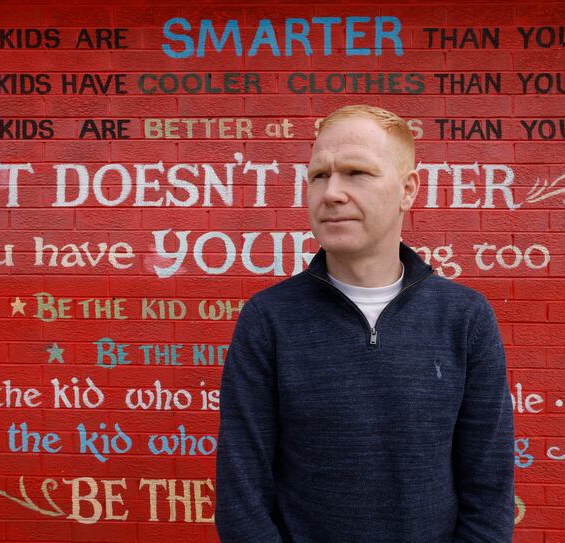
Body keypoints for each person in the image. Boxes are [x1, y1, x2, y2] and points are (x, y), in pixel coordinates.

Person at [214, 105, 515, 542]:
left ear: (407, 190)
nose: (331, 192)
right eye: (319, 175)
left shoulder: (464, 318)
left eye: (356, 172)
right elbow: (242, 494)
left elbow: (488, 490)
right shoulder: (269, 319)